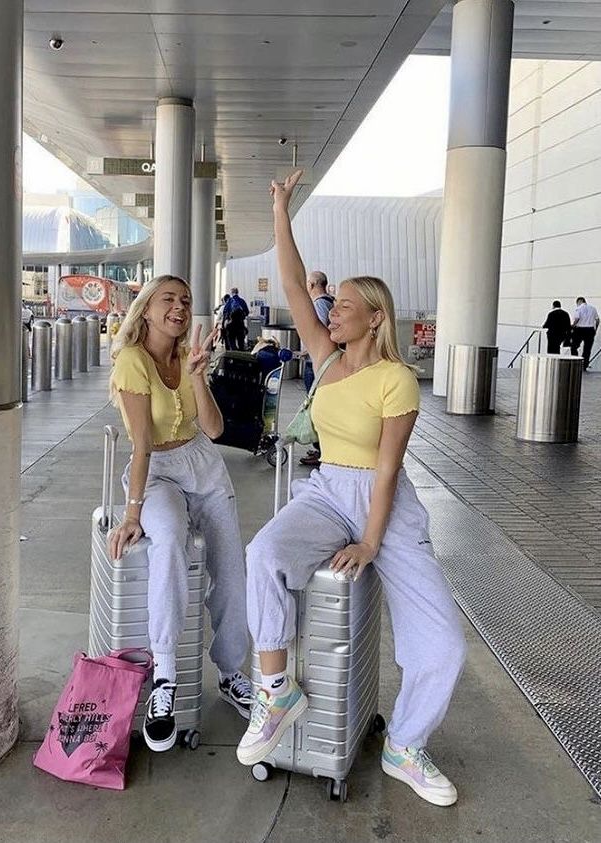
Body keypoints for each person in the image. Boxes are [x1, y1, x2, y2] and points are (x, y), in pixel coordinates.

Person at [236, 172, 467, 809]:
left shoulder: (398, 379)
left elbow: (388, 470)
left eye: (342, 306)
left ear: (374, 318)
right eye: (330, 304)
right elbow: (290, 279)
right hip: (326, 488)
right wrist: (281, 207)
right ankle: (276, 690)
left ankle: (406, 745)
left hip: (383, 506)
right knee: (265, 555)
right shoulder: (326, 358)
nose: (329, 309)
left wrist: (370, 540)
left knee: (443, 642)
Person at [108, 275, 252, 753]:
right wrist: (132, 513)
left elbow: (213, 429)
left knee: (232, 568)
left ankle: (232, 672)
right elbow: (142, 443)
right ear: (146, 309)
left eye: (186, 300)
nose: (179, 307)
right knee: (167, 541)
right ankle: (165, 676)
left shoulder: (186, 359)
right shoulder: (132, 361)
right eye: (168, 299)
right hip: (156, 472)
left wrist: (196, 375)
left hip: (202, 464)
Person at [300, 271, 335, 467]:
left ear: (313, 284)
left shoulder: (320, 304)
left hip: (317, 365)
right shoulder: (329, 302)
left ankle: (322, 450)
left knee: (316, 407)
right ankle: (321, 449)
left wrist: (305, 352)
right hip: (321, 363)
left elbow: (318, 333)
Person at [570, 296, 599, 370]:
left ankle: (575, 362)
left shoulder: (578, 308)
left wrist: (573, 326)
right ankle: (584, 365)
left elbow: (577, 318)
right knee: (587, 349)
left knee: (574, 346)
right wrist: (595, 329)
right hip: (590, 330)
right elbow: (597, 320)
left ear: (579, 302)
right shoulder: (593, 308)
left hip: (579, 330)